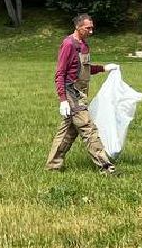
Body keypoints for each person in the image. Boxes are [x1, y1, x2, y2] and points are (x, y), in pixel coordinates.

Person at [46, 13, 119, 174]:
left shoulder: (84, 45)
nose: (91, 31)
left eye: (92, 28)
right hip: (72, 92)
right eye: (88, 28)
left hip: (82, 92)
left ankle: (52, 166)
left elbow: (84, 68)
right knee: (88, 128)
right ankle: (106, 167)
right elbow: (60, 73)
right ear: (78, 27)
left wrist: (104, 68)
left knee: (68, 131)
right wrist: (63, 100)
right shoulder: (68, 44)